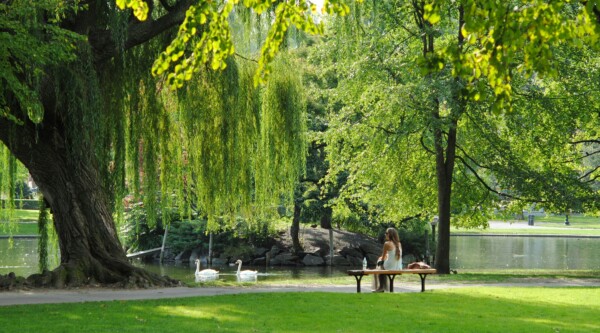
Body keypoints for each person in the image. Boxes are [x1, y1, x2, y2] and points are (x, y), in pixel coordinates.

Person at [373, 227, 402, 292]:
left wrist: (382, 259)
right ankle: (383, 286)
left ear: (390, 235)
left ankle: (380, 287)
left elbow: (383, 258)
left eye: (386, 233)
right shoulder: (399, 244)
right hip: (398, 267)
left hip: (390, 267)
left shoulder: (387, 244)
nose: (385, 234)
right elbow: (392, 255)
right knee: (381, 263)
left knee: (379, 262)